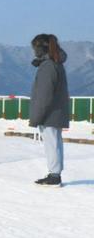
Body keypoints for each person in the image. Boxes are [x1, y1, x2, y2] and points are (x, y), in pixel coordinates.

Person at [29, 34, 70, 187]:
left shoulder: (48, 66)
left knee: (51, 144)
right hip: (56, 111)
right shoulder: (56, 63)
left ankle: (54, 175)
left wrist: (37, 117)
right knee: (56, 143)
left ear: (42, 48)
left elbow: (44, 94)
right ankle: (55, 173)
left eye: (35, 48)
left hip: (49, 113)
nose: (34, 52)